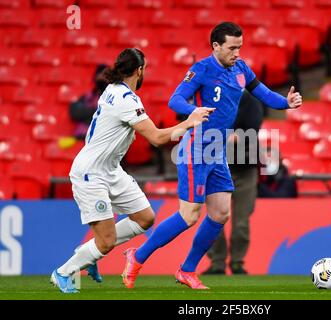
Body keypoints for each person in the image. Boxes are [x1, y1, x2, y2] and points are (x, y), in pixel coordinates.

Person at [121, 22, 302, 290]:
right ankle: (138, 256)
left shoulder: (241, 69)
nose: (237, 53)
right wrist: (193, 111)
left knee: (219, 213)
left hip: (216, 152)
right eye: (231, 48)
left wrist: (285, 102)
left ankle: (187, 270)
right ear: (216, 46)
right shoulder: (202, 69)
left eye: (239, 47)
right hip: (197, 148)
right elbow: (175, 100)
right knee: (189, 215)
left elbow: (263, 94)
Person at [50, 48, 214, 293]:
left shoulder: (112, 90)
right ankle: (63, 272)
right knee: (106, 242)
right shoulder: (127, 100)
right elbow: (157, 139)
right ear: (139, 71)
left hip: (111, 170)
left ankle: (91, 254)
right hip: (91, 173)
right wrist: (189, 122)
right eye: (144, 68)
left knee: (145, 218)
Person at [203, 90, 263, 275]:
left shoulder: (250, 101)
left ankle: (237, 262)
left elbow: (249, 133)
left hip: (245, 168)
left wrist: (218, 135)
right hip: (218, 168)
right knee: (215, 218)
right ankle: (218, 262)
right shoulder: (213, 98)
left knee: (241, 222)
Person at [69, 64, 108, 140]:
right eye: (100, 74)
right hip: (82, 138)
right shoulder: (87, 97)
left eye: (106, 76)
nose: (102, 78)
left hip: (103, 140)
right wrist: (95, 112)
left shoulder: (115, 98)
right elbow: (74, 113)